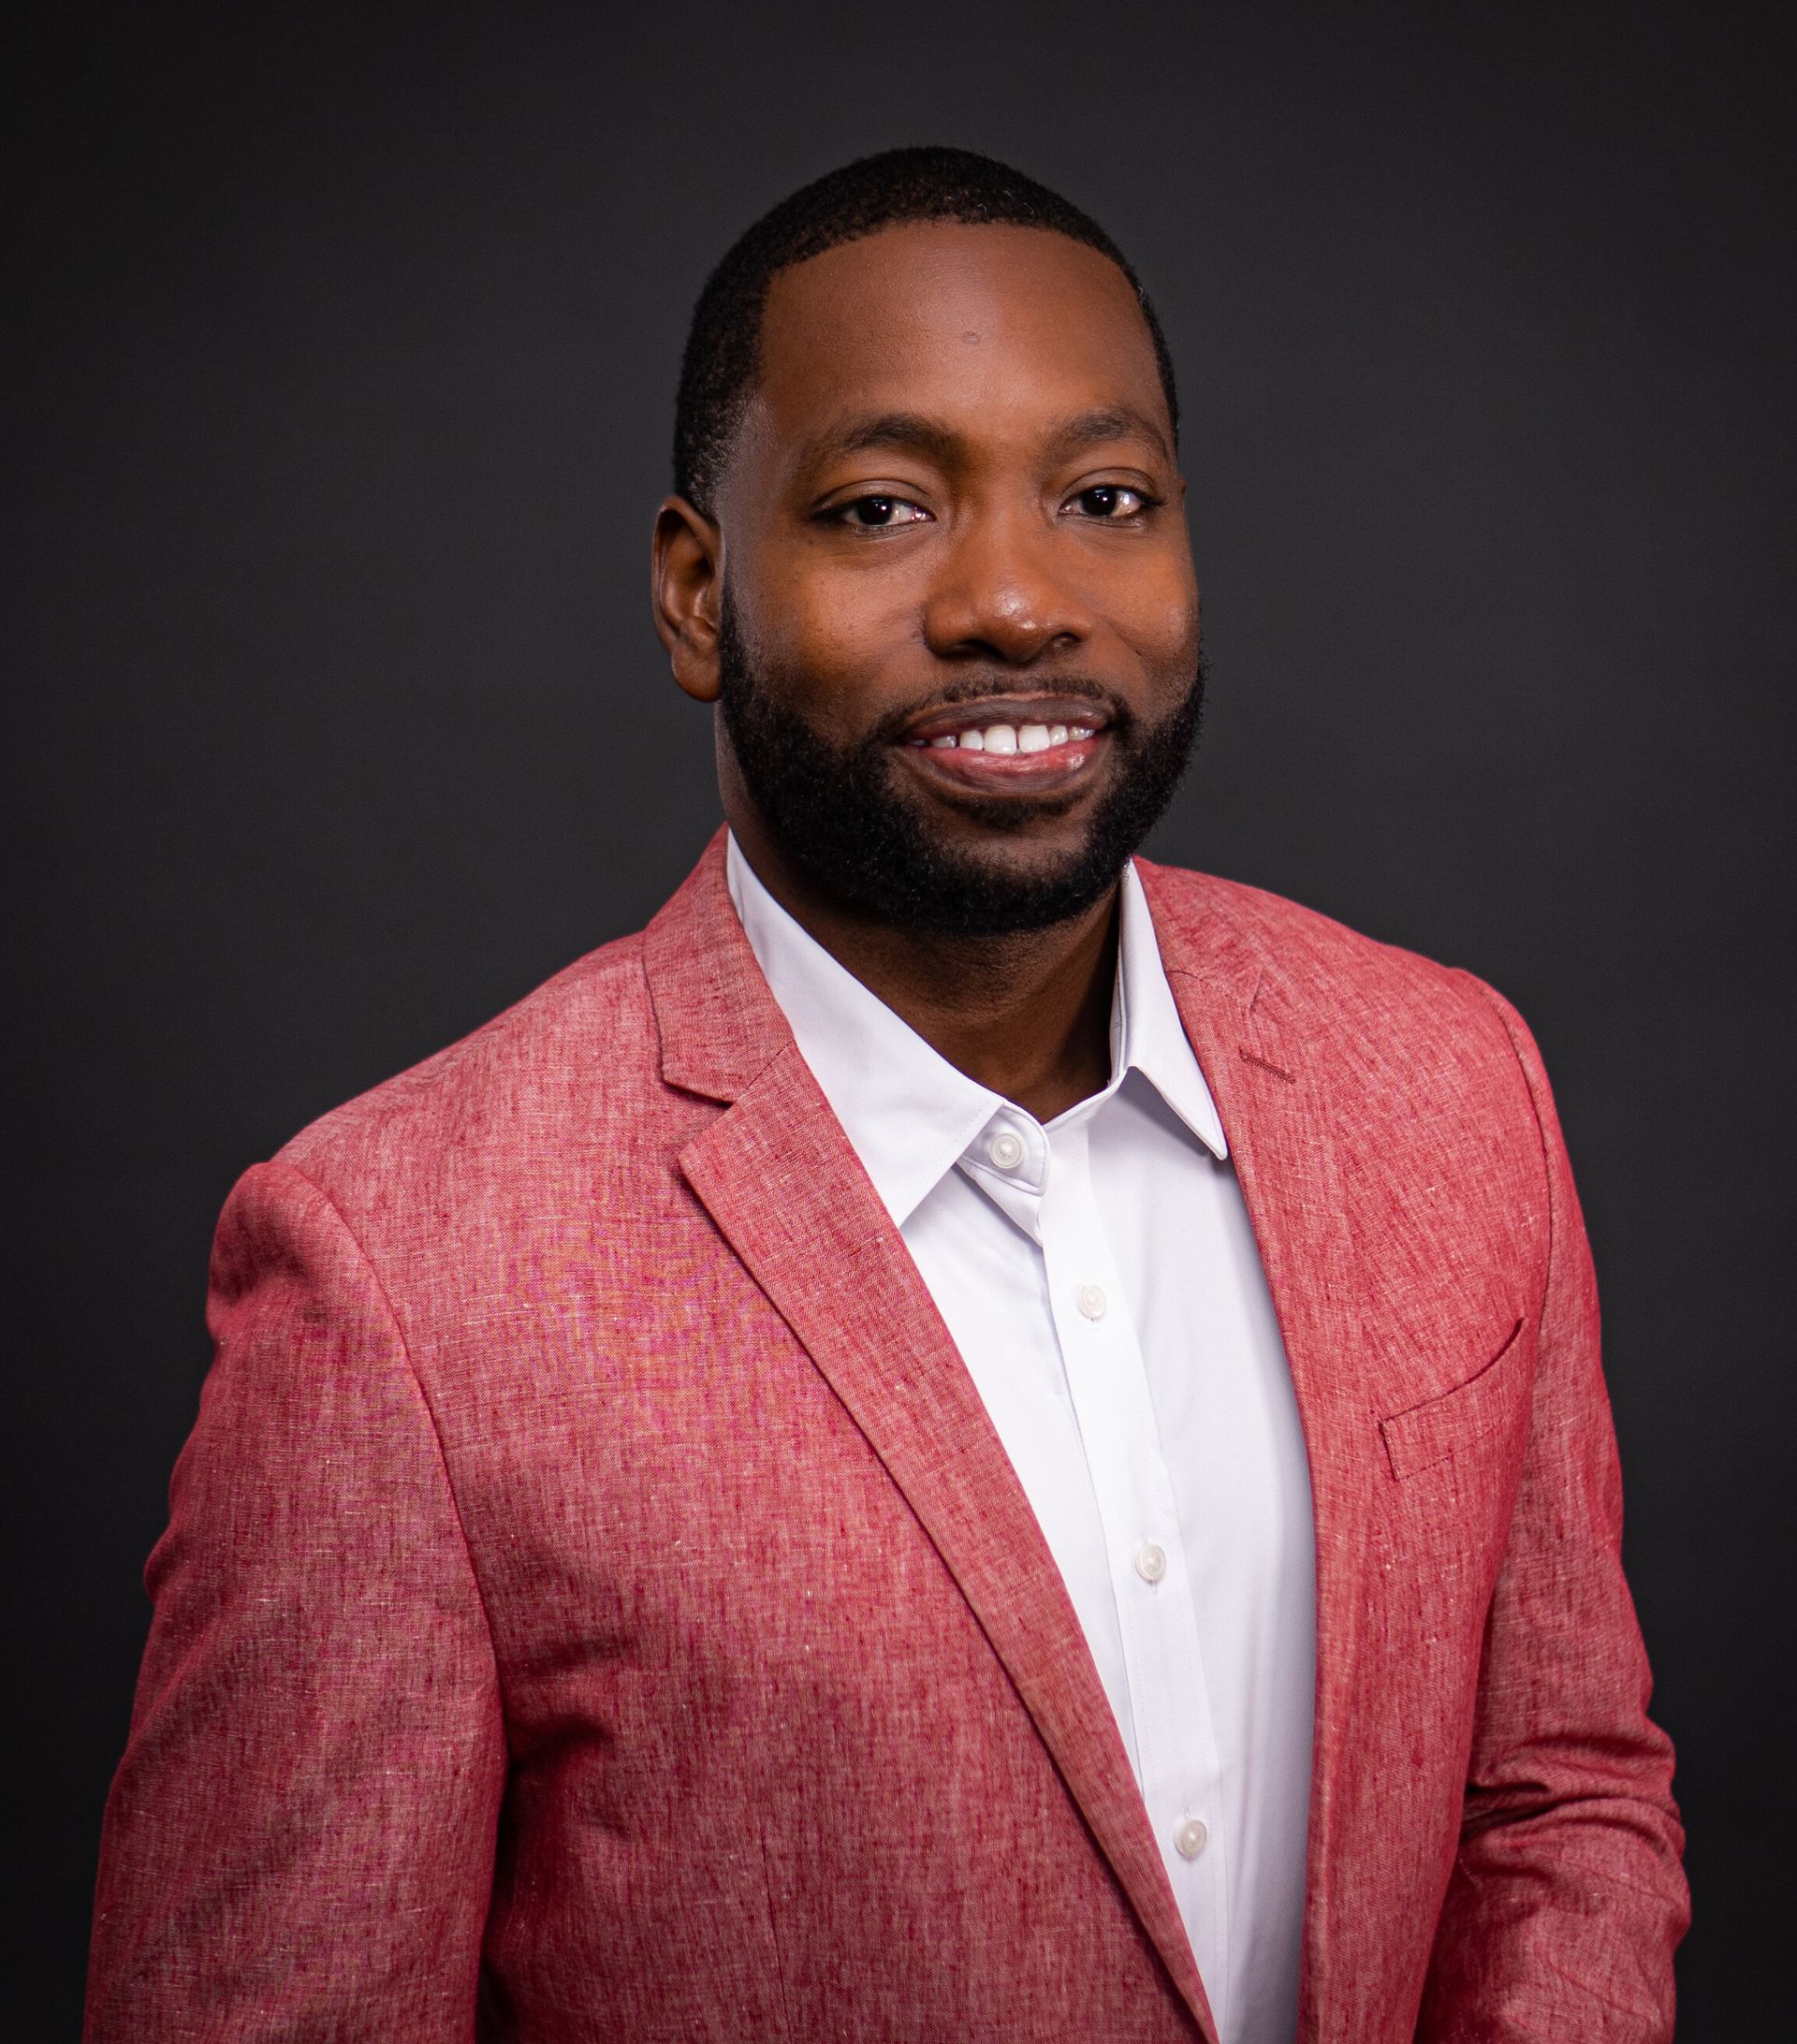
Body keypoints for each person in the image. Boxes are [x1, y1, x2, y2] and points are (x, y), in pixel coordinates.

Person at [85, 147, 1687, 2044]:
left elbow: (1559, 1793)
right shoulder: (399, 1277)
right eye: (880, 507)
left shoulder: (1451, 1078)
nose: (1017, 600)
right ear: (697, 595)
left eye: (1106, 497)